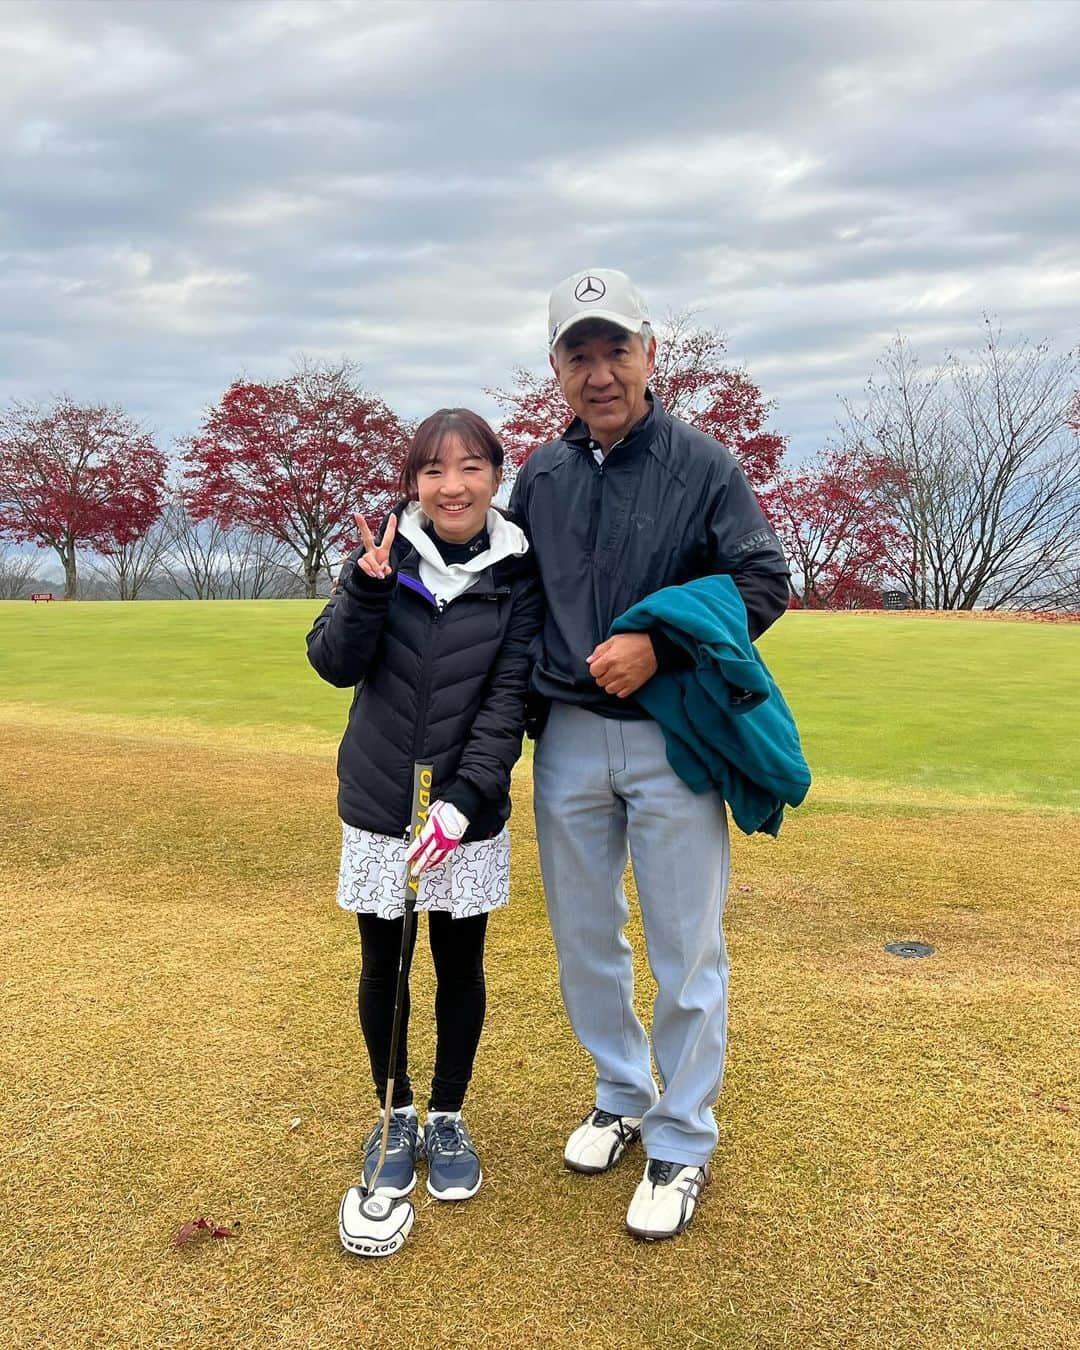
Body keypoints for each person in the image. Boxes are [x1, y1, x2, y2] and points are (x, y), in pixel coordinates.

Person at [508, 268, 791, 1241]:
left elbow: (763, 579)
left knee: (685, 950)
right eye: (577, 355)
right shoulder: (539, 475)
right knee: (586, 939)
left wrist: (661, 644)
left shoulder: (704, 465)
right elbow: (518, 599)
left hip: (672, 737)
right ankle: (621, 1091)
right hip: (569, 741)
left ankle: (682, 1138)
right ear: (556, 368)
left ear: (650, 355)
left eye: (614, 349)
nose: (599, 372)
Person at [307, 409, 540, 1209]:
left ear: (495, 476)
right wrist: (367, 591)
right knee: (384, 965)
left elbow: (508, 701)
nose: (452, 485)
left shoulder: (518, 572)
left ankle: (446, 1113)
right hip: (379, 800)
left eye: (470, 466)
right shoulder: (380, 557)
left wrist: (465, 801)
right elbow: (334, 664)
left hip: (463, 811)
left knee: (457, 966)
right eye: (434, 470)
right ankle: (394, 1111)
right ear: (413, 483)